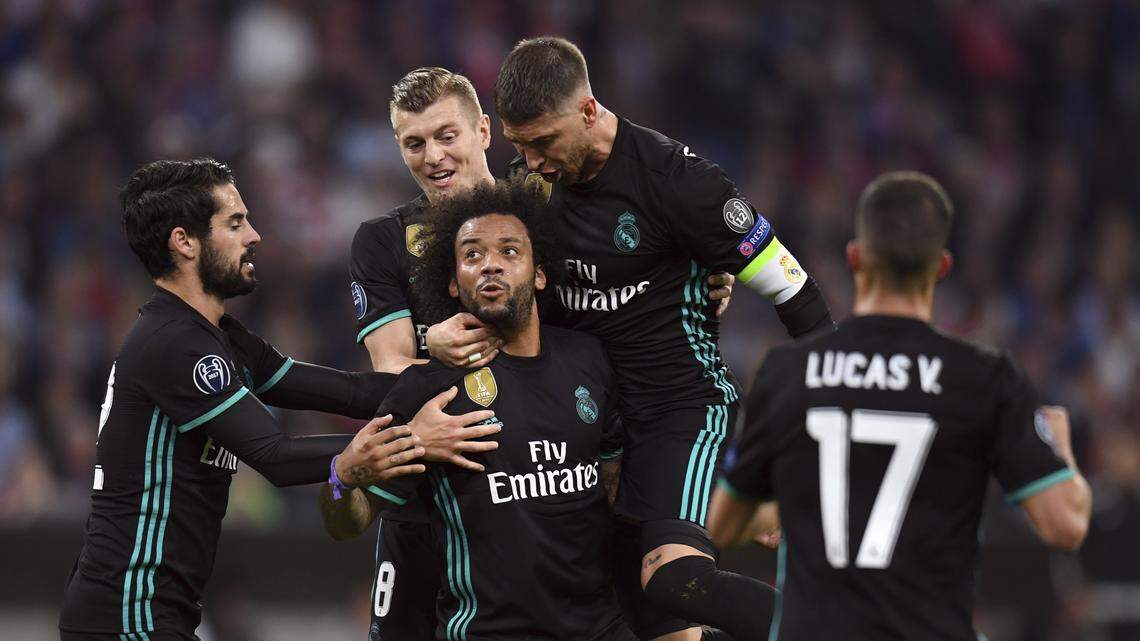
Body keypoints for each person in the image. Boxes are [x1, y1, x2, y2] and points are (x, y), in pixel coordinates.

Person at [430, 37, 833, 641]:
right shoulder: (531, 191)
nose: (532, 161)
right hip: (584, 425)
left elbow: (794, 293)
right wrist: (435, 335)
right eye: (519, 146)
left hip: (675, 406)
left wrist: (825, 419)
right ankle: (749, 512)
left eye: (543, 142)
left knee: (671, 580)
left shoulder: (680, 182)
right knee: (651, 625)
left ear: (588, 111)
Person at [346, 66, 735, 641]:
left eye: (446, 136)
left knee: (660, 617)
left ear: (483, 132)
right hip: (436, 485)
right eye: (414, 143)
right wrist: (430, 351)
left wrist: (696, 277)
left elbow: (629, 258)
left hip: (558, 480)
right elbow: (391, 366)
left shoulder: (544, 203)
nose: (433, 156)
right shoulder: (382, 239)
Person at [58, 158, 439, 641]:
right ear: (184, 242)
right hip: (126, 614)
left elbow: (353, 392)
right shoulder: (173, 343)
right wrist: (401, 445)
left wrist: (458, 377)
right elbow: (275, 457)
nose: (254, 235)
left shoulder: (224, 341)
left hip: (152, 613)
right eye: (235, 223)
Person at [707, 172, 1093, 641]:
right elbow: (1065, 525)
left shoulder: (787, 372)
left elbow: (724, 524)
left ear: (855, 258)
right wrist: (1061, 446)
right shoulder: (983, 378)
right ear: (942, 267)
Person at [324, 181, 637, 641]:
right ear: (452, 282)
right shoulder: (426, 391)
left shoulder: (589, 358)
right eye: (472, 255)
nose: (490, 263)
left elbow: (616, 489)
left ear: (540, 273)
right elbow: (344, 523)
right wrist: (341, 476)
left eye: (510, 251)